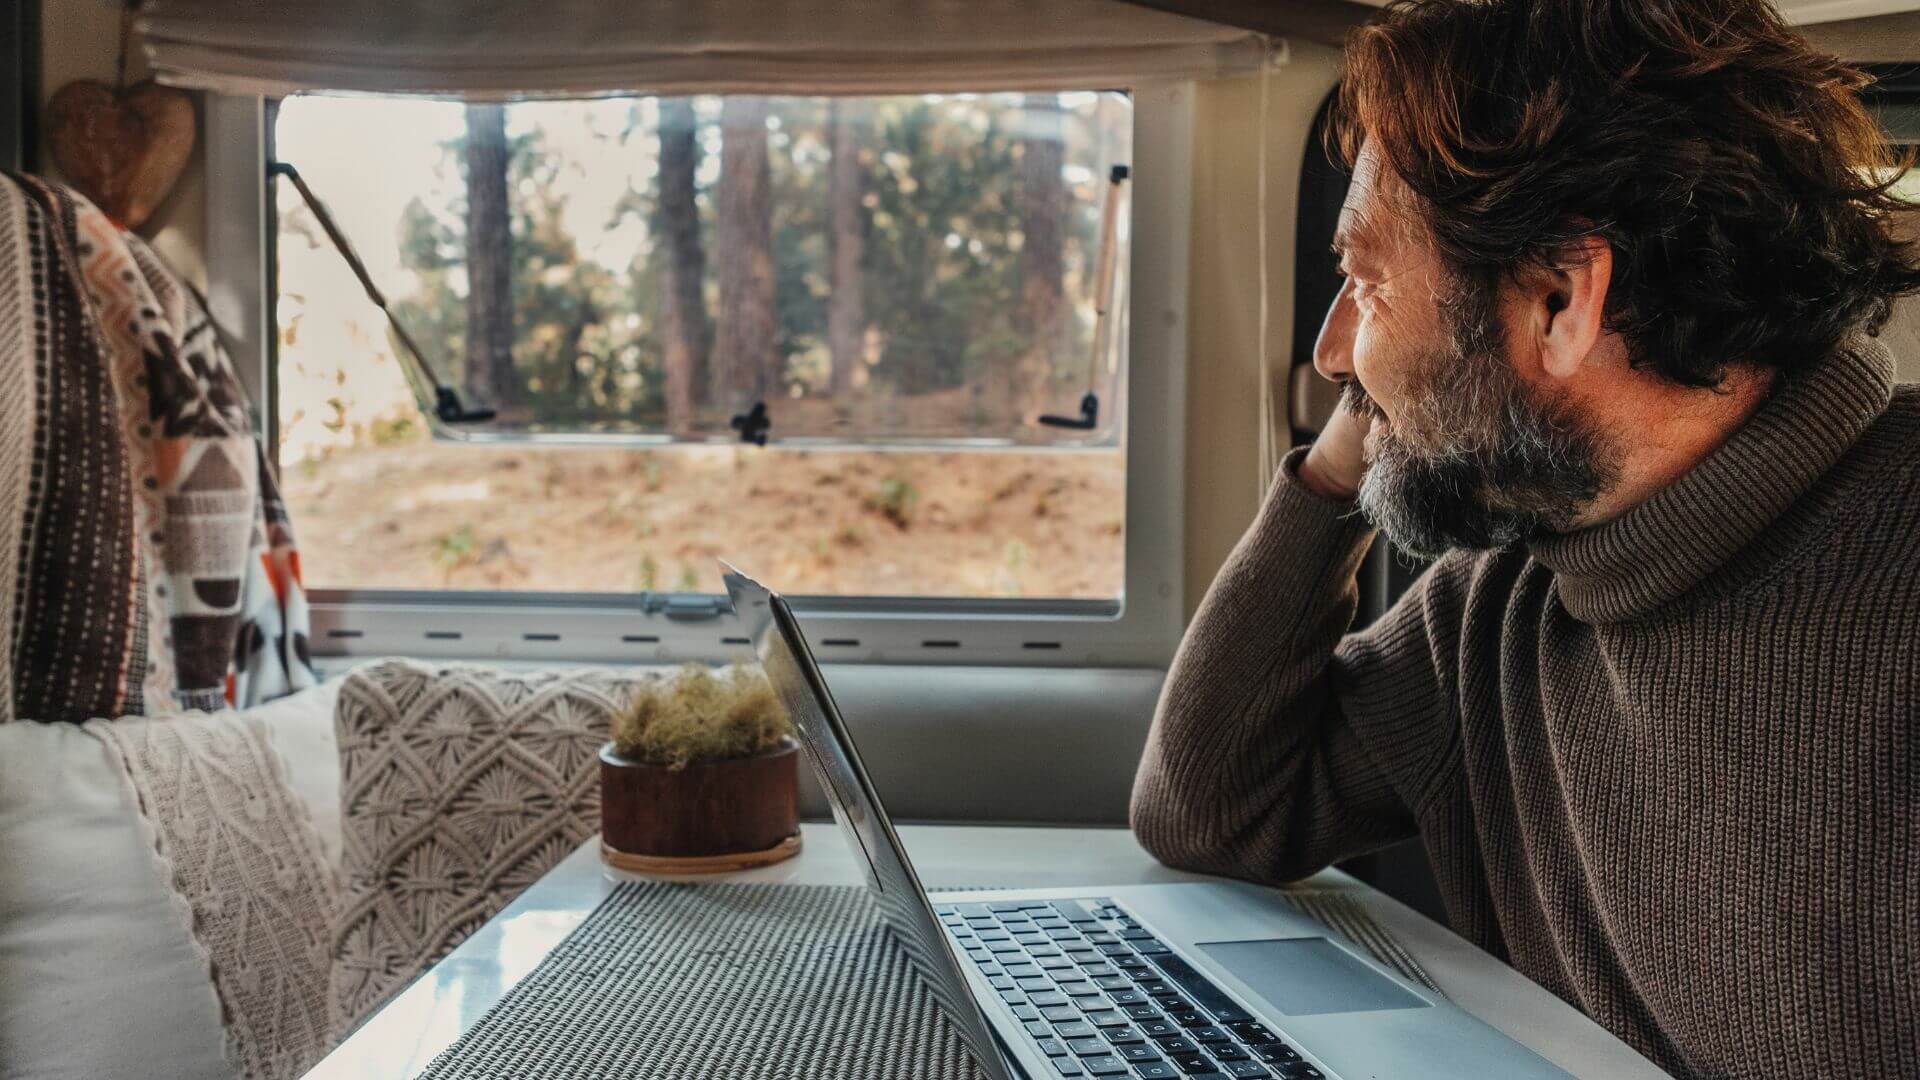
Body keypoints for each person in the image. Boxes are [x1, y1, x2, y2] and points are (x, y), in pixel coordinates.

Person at [1128, 1, 1920, 1076]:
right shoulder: (1503, 603)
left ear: (1560, 297)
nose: (1329, 349)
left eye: (1365, 282)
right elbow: (1212, 812)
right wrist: (1346, 451)